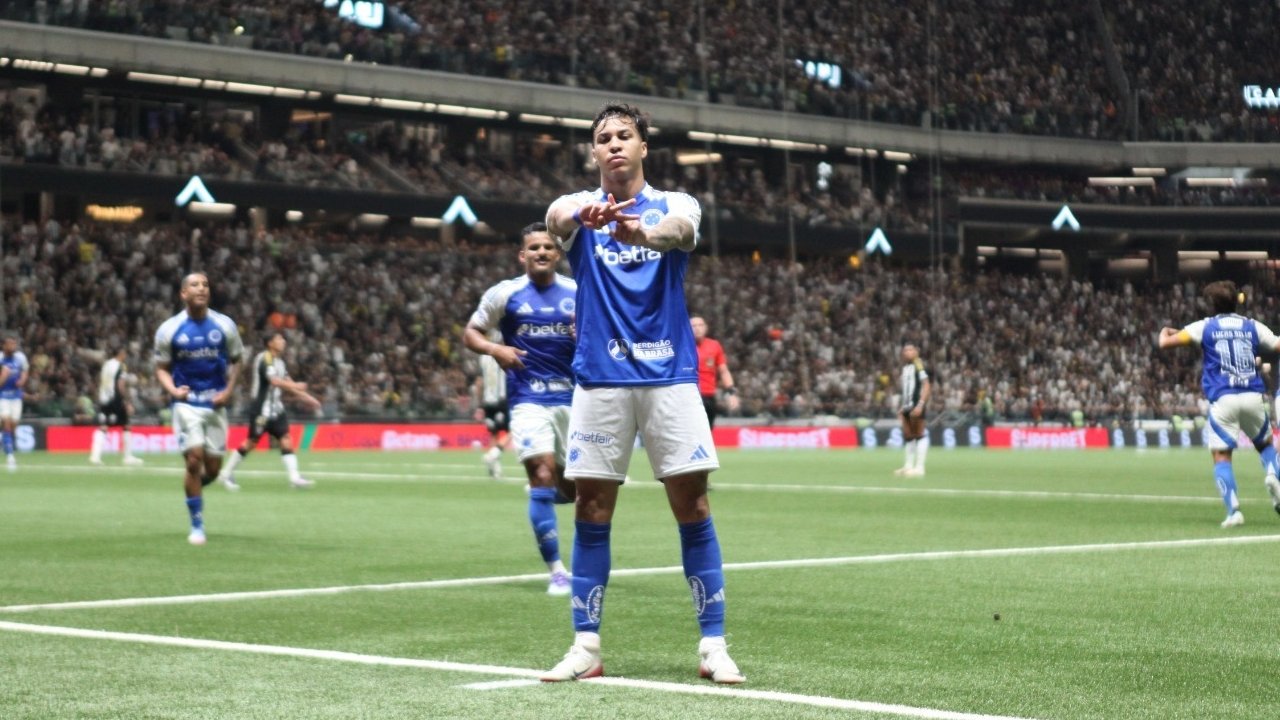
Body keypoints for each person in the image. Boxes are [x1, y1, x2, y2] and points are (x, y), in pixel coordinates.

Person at [539, 103, 743, 684]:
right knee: (591, 509)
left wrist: (641, 233)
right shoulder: (580, 210)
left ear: (643, 146)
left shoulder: (674, 204)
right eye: (603, 139)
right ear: (594, 152)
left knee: (693, 506)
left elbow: (683, 233)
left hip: (669, 377)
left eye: (624, 135)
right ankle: (585, 646)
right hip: (601, 379)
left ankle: (713, 645)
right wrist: (586, 211)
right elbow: (555, 219)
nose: (614, 145)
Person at [464, 222, 578, 596]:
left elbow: (605, 335)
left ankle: (547, 495)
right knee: (541, 474)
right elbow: (472, 333)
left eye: (548, 247)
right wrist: (496, 350)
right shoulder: (506, 293)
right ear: (522, 255)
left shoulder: (578, 293)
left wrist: (587, 335)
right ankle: (558, 571)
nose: (542, 252)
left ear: (558, 254)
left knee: (573, 490)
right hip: (529, 399)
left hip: (574, 400)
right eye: (534, 248)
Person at [1158, 280, 1280, 527]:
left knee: (1221, 456)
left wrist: (1165, 331)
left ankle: (1234, 510)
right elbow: (1277, 344)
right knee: (1266, 446)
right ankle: (1272, 474)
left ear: (1211, 305)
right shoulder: (1252, 326)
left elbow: (1166, 343)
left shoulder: (1205, 326)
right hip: (1252, 395)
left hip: (1223, 398)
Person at [153, 272, 244, 545]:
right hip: (186, 404)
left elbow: (238, 360)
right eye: (195, 285)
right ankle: (197, 523)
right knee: (194, 460)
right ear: (183, 293)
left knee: (213, 470)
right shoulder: (169, 329)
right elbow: (161, 368)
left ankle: (192, 492)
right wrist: (172, 391)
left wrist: (228, 391)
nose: (201, 288)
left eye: (205, 284)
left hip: (215, 404)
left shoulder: (225, 325)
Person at [218, 332, 321, 491]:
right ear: (270, 343)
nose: (283, 341)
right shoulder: (265, 358)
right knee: (251, 442)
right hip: (261, 410)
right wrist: (296, 386)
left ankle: (294, 478)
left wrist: (308, 398)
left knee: (286, 438)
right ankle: (226, 473)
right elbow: (274, 381)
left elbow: (289, 384)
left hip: (276, 410)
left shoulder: (280, 363)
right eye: (279, 339)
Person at [89, 347, 144, 466]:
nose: (125, 355)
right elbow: (120, 384)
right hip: (116, 399)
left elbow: (101, 382)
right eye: (124, 353)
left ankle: (95, 456)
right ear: (120, 353)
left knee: (103, 426)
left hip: (104, 398)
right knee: (127, 425)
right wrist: (126, 401)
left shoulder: (106, 365)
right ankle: (128, 457)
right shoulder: (120, 366)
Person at [690, 315, 739, 427]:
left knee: (708, 431)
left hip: (709, 397)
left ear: (706, 328)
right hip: (690, 395)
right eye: (693, 326)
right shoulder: (682, 346)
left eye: (700, 325)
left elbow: (724, 371)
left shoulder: (714, 346)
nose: (697, 328)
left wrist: (731, 392)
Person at [474, 345, 512, 478]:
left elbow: (479, 382)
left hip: (487, 401)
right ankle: (494, 453)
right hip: (501, 400)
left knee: (494, 434)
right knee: (513, 430)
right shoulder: (503, 354)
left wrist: (479, 405)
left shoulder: (482, 357)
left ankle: (495, 469)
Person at [894, 343, 931, 477]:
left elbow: (926, 384)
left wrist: (920, 404)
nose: (907, 352)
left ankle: (920, 468)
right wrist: (902, 406)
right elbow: (906, 389)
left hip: (916, 405)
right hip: (907, 406)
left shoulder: (918, 364)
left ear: (917, 351)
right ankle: (908, 466)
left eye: (910, 350)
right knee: (909, 437)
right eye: (905, 350)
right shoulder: (906, 367)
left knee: (919, 435)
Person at [0, 335, 29, 471]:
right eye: (9, 344)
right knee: (6, 424)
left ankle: (3, 441)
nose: (12, 346)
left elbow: (25, 370)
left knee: (13, 426)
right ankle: (10, 457)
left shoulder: (20, 357)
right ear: (3, 346)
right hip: (3, 397)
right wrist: (3, 377)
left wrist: (22, 380)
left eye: (14, 343)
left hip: (16, 397)